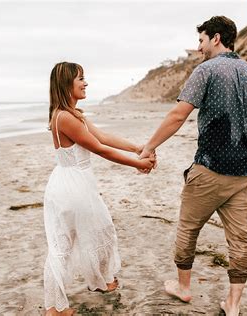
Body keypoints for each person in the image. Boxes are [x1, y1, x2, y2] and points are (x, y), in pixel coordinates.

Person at [139, 16, 247, 316]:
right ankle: (232, 304)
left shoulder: (206, 70)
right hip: (246, 173)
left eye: (201, 40)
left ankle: (184, 287)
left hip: (210, 169)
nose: (199, 47)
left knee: (188, 228)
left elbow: (178, 115)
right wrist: (246, 137)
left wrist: (149, 147)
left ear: (216, 38)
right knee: (240, 240)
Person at [43, 61, 155, 316]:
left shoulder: (73, 114)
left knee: (99, 230)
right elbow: (100, 149)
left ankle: (101, 281)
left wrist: (137, 148)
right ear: (65, 84)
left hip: (76, 185)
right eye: (80, 78)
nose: (85, 83)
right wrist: (138, 164)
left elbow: (103, 138)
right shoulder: (64, 117)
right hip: (71, 188)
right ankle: (53, 309)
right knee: (63, 244)